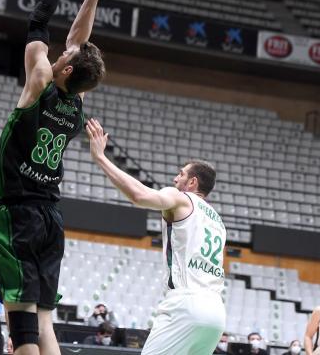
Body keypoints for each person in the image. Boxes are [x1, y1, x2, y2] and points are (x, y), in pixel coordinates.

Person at [0, 0, 114, 355]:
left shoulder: (39, 83)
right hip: (51, 219)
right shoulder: (75, 107)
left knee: (21, 325)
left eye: (67, 54)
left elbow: (38, 23)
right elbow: (79, 39)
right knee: (43, 320)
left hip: (19, 212)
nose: (64, 48)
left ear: (67, 67)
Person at [86, 119, 226, 355]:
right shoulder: (218, 222)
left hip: (186, 303)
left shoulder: (181, 197)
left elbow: (138, 195)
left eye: (180, 174)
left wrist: (100, 158)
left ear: (192, 182)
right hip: (216, 312)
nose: (175, 179)